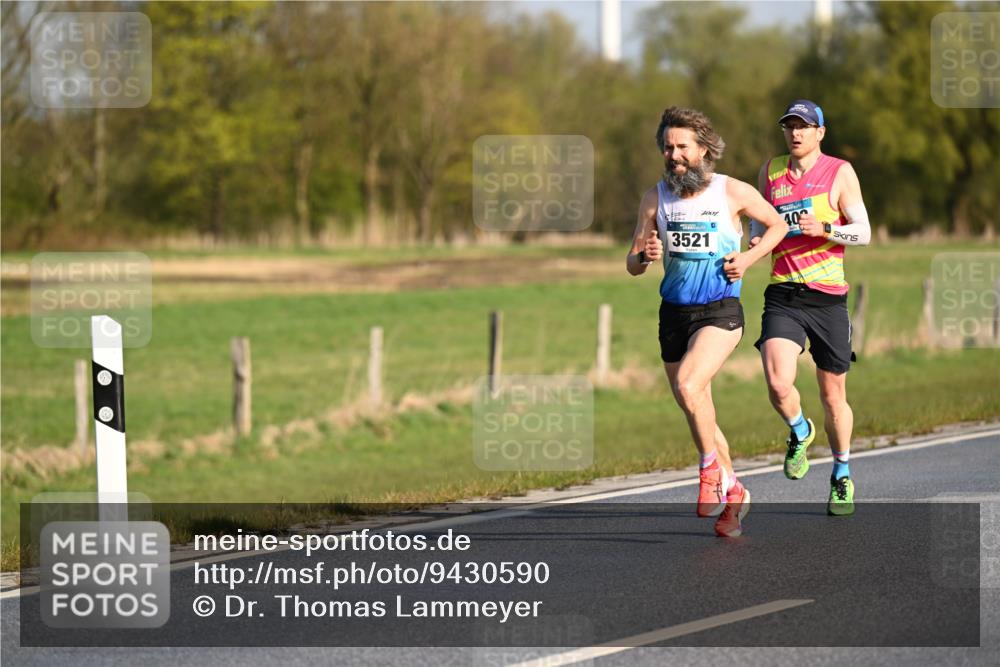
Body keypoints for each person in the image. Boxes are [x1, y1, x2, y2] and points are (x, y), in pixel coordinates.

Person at [627, 106, 786, 537]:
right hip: (674, 314)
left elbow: (776, 225)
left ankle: (708, 474)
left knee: (689, 386)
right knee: (699, 410)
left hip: (719, 309)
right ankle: (735, 492)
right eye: (667, 147)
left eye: (682, 147)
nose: (673, 154)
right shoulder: (654, 198)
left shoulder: (731, 192)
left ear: (703, 150)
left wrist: (749, 257)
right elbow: (633, 262)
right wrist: (645, 256)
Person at [748, 99, 872, 516]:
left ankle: (841, 473)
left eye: (804, 126)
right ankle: (800, 431)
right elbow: (758, 222)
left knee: (832, 393)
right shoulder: (770, 171)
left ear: (821, 132)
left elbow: (864, 233)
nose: (795, 133)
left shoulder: (839, 172)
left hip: (828, 297)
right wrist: (754, 241)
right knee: (778, 381)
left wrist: (828, 230)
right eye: (789, 126)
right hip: (783, 291)